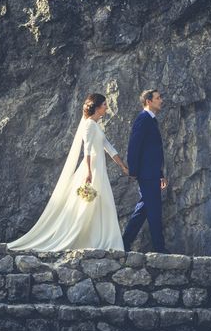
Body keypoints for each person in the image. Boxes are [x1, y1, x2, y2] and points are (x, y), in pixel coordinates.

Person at [8, 94, 128, 252]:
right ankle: (85, 239)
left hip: (99, 169)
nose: (107, 107)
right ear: (97, 107)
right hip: (92, 169)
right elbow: (87, 150)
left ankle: (100, 240)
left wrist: (123, 166)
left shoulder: (96, 126)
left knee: (100, 205)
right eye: (105, 104)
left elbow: (109, 148)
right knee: (86, 206)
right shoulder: (89, 126)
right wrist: (89, 173)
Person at [122, 89, 168, 253]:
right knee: (154, 211)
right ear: (149, 101)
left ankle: (124, 243)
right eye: (158, 98)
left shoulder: (151, 120)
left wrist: (160, 174)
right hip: (146, 174)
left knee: (143, 210)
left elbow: (153, 152)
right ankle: (160, 249)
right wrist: (133, 170)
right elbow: (134, 146)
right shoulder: (143, 119)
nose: (161, 100)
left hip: (153, 174)